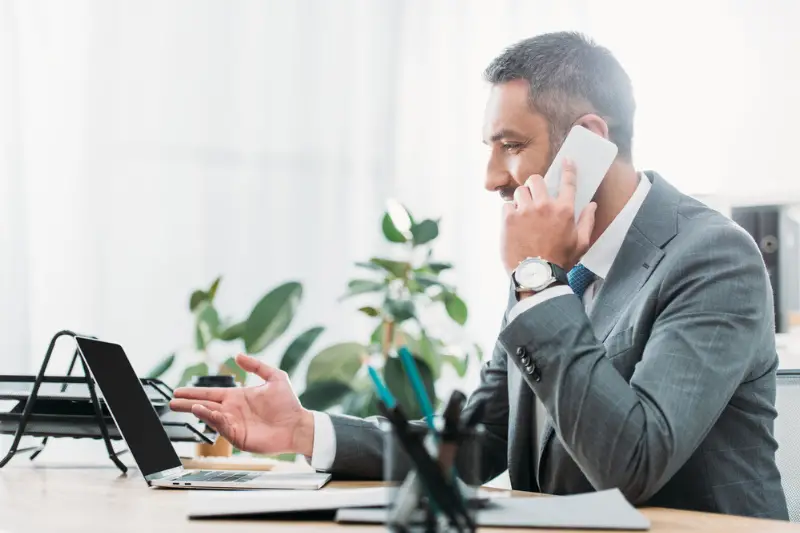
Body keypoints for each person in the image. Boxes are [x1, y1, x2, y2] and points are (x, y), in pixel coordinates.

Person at [170, 32, 788, 519]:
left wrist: (537, 282)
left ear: (589, 142)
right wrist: (304, 429)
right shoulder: (547, 274)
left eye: (510, 145)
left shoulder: (711, 259)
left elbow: (633, 462)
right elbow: (479, 443)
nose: (492, 178)